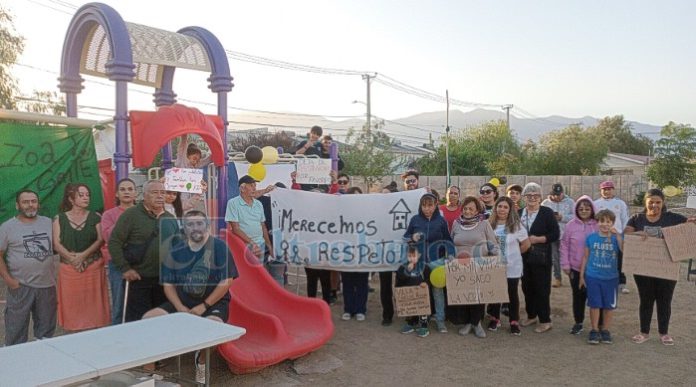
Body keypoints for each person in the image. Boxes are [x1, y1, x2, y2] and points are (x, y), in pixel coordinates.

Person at [143, 210, 238, 384]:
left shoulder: (219, 247)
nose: (196, 228)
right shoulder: (176, 250)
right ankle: (150, 372)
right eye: (190, 224)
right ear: (184, 229)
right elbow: (168, 284)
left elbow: (227, 281)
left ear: (207, 226)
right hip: (183, 302)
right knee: (149, 319)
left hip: (213, 303)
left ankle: (201, 362)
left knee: (215, 328)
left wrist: (204, 305)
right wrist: (179, 307)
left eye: (199, 223)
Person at [624, 188, 696, 346]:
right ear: (645, 203)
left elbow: (689, 227)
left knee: (665, 300)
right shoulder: (637, 218)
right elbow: (626, 235)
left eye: (658, 202)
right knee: (646, 299)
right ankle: (644, 332)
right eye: (651, 202)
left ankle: (664, 333)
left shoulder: (672, 218)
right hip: (643, 268)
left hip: (667, 267)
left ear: (663, 203)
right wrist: (637, 234)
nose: (654, 205)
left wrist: (691, 223)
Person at [109, 180, 179, 322]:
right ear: (144, 196)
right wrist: (125, 268)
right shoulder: (131, 215)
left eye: (162, 193)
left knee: (162, 320)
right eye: (154, 192)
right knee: (137, 321)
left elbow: (177, 247)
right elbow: (114, 242)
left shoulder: (170, 218)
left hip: (164, 281)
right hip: (138, 279)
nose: (160, 196)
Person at [0, 190, 57, 345]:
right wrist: (9, 280)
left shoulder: (49, 222)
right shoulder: (7, 227)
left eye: (33, 201)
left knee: (45, 334)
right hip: (20, 286)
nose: (30, 205)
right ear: (17, 205)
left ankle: (43, 364)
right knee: (15, 332)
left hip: (47, 286)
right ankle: (16, 365)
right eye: (25, 202)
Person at [53, 183, 110, 330]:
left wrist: (82, 256)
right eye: (81, 195)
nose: (86, 198)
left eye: (87, 195)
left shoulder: (95, 217)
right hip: (69, 270)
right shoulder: (59, 219)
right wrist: (73, 259)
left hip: (93, 268)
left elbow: (100, 239)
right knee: (73, 305)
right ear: (71, 199)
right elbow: (56, 244)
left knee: (94, 306)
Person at [403, 193, 454, 334]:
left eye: (430, 205)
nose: (427, 209)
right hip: (419, 260)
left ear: (436, 205)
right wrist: (411, 237)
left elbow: (448, 240)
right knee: (419, 291)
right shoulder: (415, 220)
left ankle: (440, 321)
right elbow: (405, 237)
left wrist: (450, 254)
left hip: (437, 260)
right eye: (424, 206)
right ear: (421, 206)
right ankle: (414, 321)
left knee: (437, 292)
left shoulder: (441, 221)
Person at [450, 196, 499, 338]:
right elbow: (451, 242)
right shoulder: (456, 224)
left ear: (477, 210)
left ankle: (476, 323)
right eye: (465, 208)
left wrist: (497, 258)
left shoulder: (484, 224)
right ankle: (467, 323)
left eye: (471, 208)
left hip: (479, 265)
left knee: (478, 295)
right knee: (465, 295)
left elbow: (493, 243)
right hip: (460, 267)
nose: (467, 211)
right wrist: (450, 257)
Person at [519, 182, 560, 333]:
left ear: (540, 197)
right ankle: (531, 315)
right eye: (528, 195)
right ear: (524, 197)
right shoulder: (518, 213)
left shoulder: (547, 213)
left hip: (541, 257)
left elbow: (555, 234)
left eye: (535, 195)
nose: (532, 198)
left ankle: (545, 319)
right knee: (527, 287)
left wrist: (537, 239)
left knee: (542, 289)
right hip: (523, 257)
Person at [487, 196, 530, 336]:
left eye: (505, 207)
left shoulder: (516, 225)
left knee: (511, 293)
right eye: (500, 206)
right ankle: (495, 318)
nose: (502, 209)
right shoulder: (489, 224)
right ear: (495, 208)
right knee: (495, 292)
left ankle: (513, 321)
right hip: (494, 265)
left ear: (510, 209)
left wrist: (514, 254)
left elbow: (526, 244)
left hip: (512, 266)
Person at [579, 209, 623, 345]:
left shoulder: (616, 238)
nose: (605, 224)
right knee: (595, 304)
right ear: (597, 222)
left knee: (609, 306)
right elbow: (585, 257)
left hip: (611, 277)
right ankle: (594, 330)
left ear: (613, 223)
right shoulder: (591, 238)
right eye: (602, 221)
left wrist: (619, 237)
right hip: (593, 276)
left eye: (608, 222)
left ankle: (605, 330)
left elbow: (624, 251)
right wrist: (581, 276)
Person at [560, 195, 598, 335]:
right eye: (581, 208)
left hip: (595, 269)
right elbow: (564, 245)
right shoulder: (571, 225)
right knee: (578, 297)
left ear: (592, 209)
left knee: (595, 297)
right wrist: (565, 264)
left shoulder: (598, 224)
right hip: (575, 269)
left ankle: (598, 324)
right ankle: (578, 322)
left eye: (587, 208)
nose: (584, 211)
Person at [101, 178, 137, 325]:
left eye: (130, 189)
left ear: (135, 193)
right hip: (118, 264)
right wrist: (125, 218)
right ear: (117, 194)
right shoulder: (109, 215)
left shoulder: (145, 212)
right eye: (123, 189)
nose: (126, 192)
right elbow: (108, 236)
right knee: (119, 303)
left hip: (141, 264)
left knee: (138, 303)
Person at [225, 175, 273, 261]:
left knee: (258, 271)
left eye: (255, 185)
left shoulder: (258, 204)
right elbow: (235, 228)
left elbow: (263, 226)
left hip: (260, 244)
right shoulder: (233, 203)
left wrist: (269, 245)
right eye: (251, 185)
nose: (254, 188)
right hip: (244, 245)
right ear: (242, 188)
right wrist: (252, 244)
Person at [594, 180, 630, 294]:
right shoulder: (595, 204)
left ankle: (621, 283)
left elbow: (625, 219)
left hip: (617, 235)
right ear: (600, 190)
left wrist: (623, 234)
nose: (607, 191)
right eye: (604, 189)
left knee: (619, 260)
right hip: (601, 236)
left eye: (609, 189)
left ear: (613, 190)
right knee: (603, 258)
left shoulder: (620, 203)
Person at [340, 187, 370, 321]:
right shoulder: (342, 213)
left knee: (362, 283)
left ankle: (360, 309)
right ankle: (348, 309)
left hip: (363, 253)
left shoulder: (367, 213)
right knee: (347, 283)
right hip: (346, 253)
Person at [542, 183, 575, 288]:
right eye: (555, 194)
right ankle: (557, 278)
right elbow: (541, 218)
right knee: (554, 257)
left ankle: (573, 276)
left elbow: (575, 216)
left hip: (567, 234)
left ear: (563, 193)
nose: (557, 197)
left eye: (559, 194)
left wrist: (562, 217)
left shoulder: (570, 202)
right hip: (552, 235)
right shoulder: (545, 203)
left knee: (570, 256)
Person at [396, 244, 430, 337]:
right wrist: (407, 271)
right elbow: (399, 279)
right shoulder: (403, 267)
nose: (411, 258)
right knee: (410, 310)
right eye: (409, 256)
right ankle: (410, 323)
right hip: (409, 295)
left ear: (418, 255)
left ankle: (423, 326)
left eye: (414, 256)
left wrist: (425, 283)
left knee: (423, 311)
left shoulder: (424, 267)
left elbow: (428, 278)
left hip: (421, 295)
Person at [379, 181, 399, 326]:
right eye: (382, 195)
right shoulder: (376, 212)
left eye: (388, 195)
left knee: (401, 284)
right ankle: (387, 314)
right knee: (385, 286)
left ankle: (406, 311)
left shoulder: (401, 210)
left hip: (400, 253)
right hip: (383, 254)